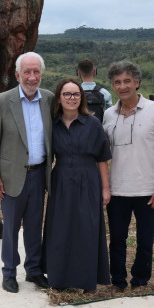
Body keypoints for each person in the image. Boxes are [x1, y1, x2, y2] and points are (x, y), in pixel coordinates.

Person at [103, 60, 154, 291]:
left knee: (145, 241)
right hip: (117, 189)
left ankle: (140, 280)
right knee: (117, 241)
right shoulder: (108, 115)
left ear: (137, 82)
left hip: (148, 190)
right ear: (113, 86)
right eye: (117, 82)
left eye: (127, 81)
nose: (123, 87)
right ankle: (118, 281)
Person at [0, 51, 53, 293]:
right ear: (17, 74)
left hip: (39, 175)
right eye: (27, 71)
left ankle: (34, 270)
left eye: (36, 72)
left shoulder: (49, 99)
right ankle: (9, 272)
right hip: (11, 176)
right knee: (12, 227)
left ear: (42, 74)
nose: (32, 77)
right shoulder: (2, 102)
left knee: (35, 226)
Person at [43, 78, 111, 292]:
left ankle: (86, 279)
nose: (71, 98)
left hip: (88, 179)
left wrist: (105, 188)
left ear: (81, 98)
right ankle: (59, 278)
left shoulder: (93, 123)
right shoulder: (51, 125)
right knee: (60, 229)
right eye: (67, 94)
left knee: (86, 229)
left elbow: (102, 158)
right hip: (61, 180)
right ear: (59, 98)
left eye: (76, 94)